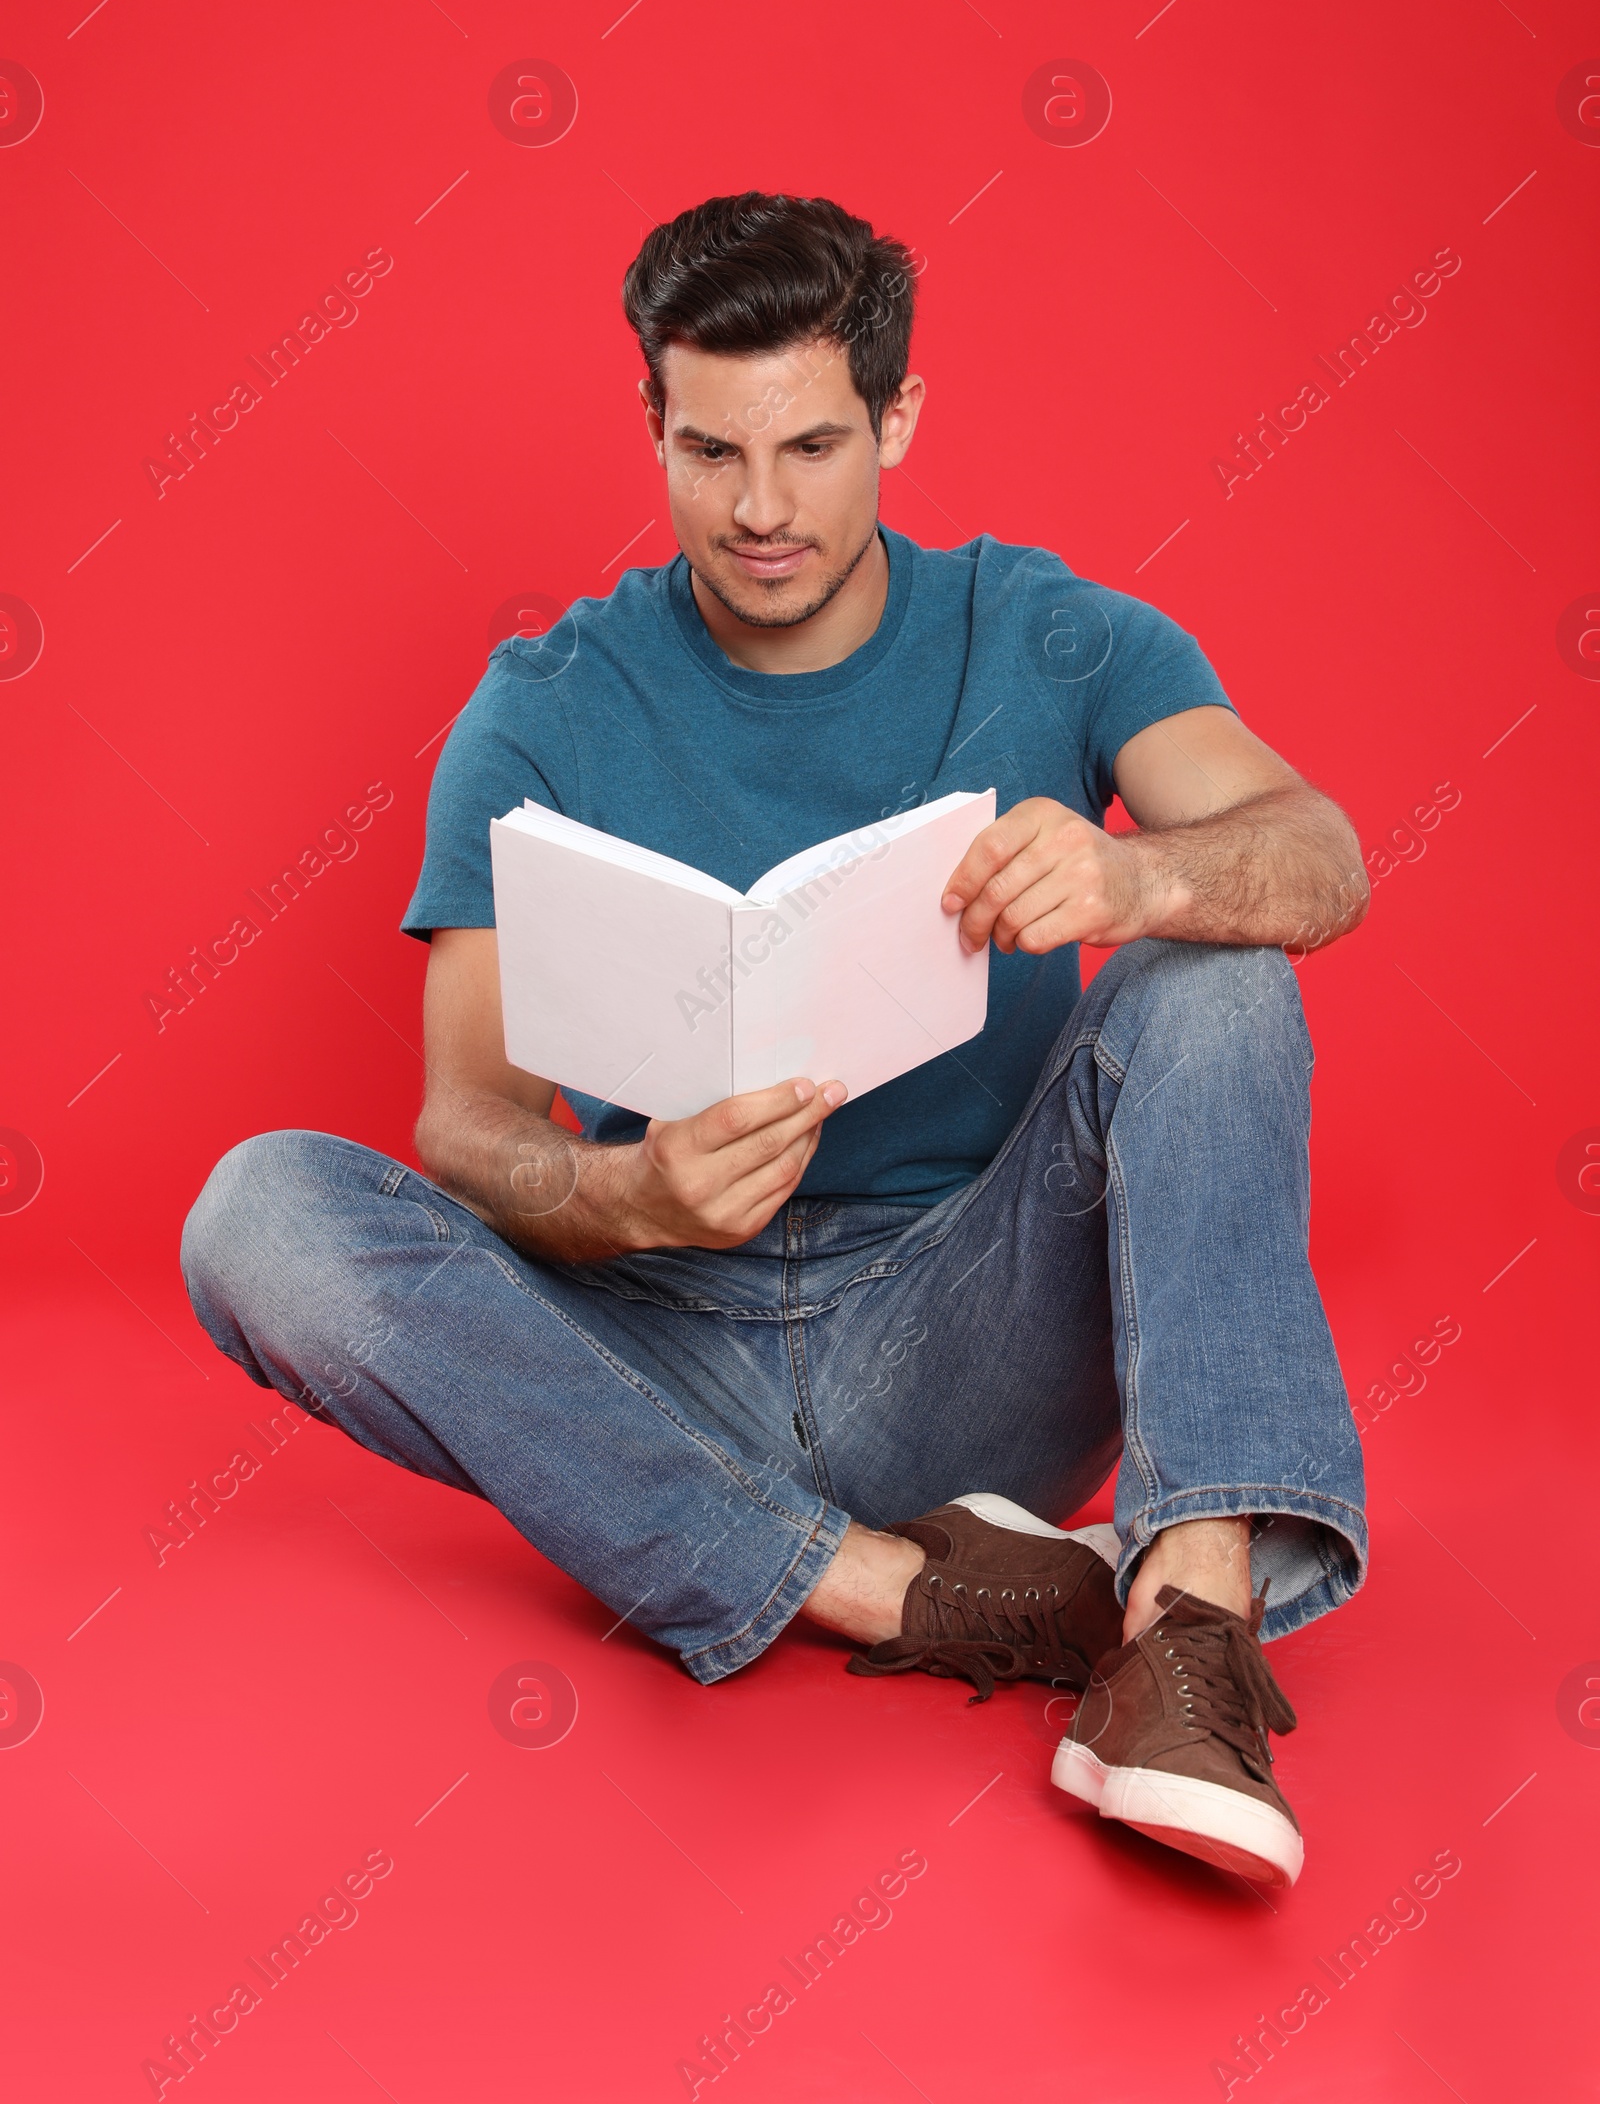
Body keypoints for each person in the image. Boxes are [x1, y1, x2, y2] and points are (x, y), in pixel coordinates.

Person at [182, 191, 1369, 1890]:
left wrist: (1134, 870)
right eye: (708, 451)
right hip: (660, 1365)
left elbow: (1319, 859)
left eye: (811, 446)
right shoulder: (544, 704)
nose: (758, 510)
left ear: (898, 418)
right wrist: (630, 1195)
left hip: (974, 1333)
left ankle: (1182, 1634)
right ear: (650, 423)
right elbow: (464, 1120)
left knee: (1221, 975)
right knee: (256, 1209)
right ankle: (909, 1591)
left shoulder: (1049, 631)